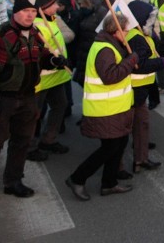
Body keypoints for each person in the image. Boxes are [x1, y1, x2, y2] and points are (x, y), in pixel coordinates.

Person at [0, 0, 67, 197]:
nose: (30, 15)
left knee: (22, 142)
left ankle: (13, 181)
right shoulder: (0, 35)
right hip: (3, 99)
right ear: (15, 12)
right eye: (26, 10)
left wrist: (53, 61)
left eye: (33, 11)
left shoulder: (34, 34)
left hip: (27, 97)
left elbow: (41, 57)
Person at [65, 13, 139, 201]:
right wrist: (130, 60)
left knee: (119, 143)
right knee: (110, 147)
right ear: (115, 31)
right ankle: (77, 178)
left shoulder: (111, 45)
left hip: (115, 107)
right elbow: (110, 76)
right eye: (125, 30)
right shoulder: (105, 49)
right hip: (104, 109)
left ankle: (109, 183)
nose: (128, 33)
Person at [27, 0, 72, 162]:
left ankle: (48, 140)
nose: (57, 7)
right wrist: (54, 61)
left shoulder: (51, 21)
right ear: (43, 8)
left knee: (60, 105)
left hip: (57, 77)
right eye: (53, 4)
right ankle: (29, 147)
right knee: (34, 114)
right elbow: (37, 54)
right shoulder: (36, 27)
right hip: (41, 80)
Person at [126, 1, 164, 172]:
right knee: (127, 129)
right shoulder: (135, 38)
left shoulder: (141, 34)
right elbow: (139, 65)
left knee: (142, 125)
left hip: (141, 89)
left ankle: (140, 160)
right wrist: (160, 62)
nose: (151, 21)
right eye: (149, 17)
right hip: (133, 89)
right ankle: (118, 168)